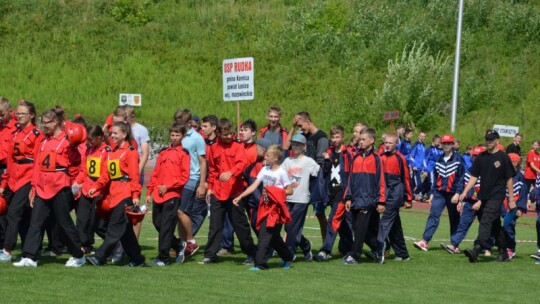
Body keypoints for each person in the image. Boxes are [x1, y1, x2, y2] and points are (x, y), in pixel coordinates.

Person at [13, 109, 85, 267]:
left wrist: (75, 183)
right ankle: (30, 256)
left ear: (55, 122)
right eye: (42, 123)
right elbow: (37, 166)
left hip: (60, 187)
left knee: (64, 222)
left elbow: (77, 164)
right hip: (42, 187)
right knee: (36, 222)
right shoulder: (44, 141)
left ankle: (78, 255)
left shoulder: (67, 141)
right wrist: (33, 188)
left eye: (46, 123)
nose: (43, 126)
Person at [86, 121, 145, 267]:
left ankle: (100, 257)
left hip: (125, 194)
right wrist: (97, 186)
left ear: (124, 134)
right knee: (125, 232)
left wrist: (136, 195)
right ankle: (137, 259)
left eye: (115, 133)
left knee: (114, 227)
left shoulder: (130, 152)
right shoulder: (112, 152)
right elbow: (106, 174)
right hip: (114, 193)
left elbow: (134, 175)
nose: (112, 135)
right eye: (112, 133)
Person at [199, 118, 256, 264]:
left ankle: (251, 253)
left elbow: (241, 163)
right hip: (217, 191)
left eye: (230, 134)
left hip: (234, 192)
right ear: (218, 133)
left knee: (240, 225)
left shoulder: (238, 147)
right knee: (215, 225)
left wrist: (231, 172)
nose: (228, 137)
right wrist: (210, 188)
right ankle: (210, 254)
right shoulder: (213, 148)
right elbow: (212, 170)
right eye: (225, 135)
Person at [233, 145, 295, 270]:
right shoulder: (264, 169)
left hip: (275, 210)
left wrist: (274, 191)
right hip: (264, 207)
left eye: (267, 155)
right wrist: (240, 196)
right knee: (275, 238)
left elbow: (289, 190)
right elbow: (254, 186)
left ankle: (260, 264)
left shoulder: (281, 172)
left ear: (276, 157)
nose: (264, 157)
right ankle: (288, 257)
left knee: (264, 235)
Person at [459, 130, 516, 263]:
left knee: (486, 220)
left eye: (491, 139)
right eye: (487, 139)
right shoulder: (481, 157)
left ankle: (477, 248)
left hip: (497, 196)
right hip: (484, 196)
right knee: (495, 225)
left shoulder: (503, 157)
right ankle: (503, 252)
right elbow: (474, 176)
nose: (488, 142)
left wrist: (511, 199)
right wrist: (465, 191)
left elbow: (509, 179)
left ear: (497, 141)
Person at [0, 101, 40, 262]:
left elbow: (37, 161)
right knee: (22, 216)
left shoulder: (36, 134)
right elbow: (10, 161)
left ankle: (7, 249)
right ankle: (27, 248)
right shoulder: (15, 134)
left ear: (31, 115)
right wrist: (4, 183)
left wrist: (35, 185)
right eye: (18, 113)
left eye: (23, 113)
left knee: (14, 213)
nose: (20, 116)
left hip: (27, 176)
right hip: (14, 177)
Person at [146, 123, 190, 266]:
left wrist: (169, 186)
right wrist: (149, 191)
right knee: (157, 223)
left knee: (166, 226)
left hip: (172, 195)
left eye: (178, 135)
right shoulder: (164, 152)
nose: (174, 137)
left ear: (183, 136)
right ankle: (179, 245)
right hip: (158, 195)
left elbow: (184, 177)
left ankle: (163, 258)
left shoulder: (184, 153)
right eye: (172, 135)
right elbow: (156, 173)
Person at [414, 134, 464, 251]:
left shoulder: (458, 159)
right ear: (441, 145)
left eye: (448, 143)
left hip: (453, 193)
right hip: (439, 193)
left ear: (452, 145)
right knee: (433, 215)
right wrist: (432, 192)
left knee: (454, 218)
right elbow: (435, 178)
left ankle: (454, 245)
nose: (446, 145)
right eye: (444, 143)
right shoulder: (439, 159)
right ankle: (425, 241)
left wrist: (458, 193)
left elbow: (462, 178)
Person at [343, 127, 385, 265]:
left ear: (371, 140)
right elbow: (351, 179)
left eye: (363, 139)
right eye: (359, 139)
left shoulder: (376, 158)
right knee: (357, 228)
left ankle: (354, 255)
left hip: (368, 200)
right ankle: (378, 247)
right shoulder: (356, 157)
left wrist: (381, 201)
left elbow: (381, 181)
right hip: (355, 199)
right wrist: (348, 197)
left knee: (360, 229)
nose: (360, 142)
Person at [288, 112, 329, 243]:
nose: (300, 129)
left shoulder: (321, 137)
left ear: (308, 121)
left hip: (316, 183)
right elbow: (285, 146)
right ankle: (290, 243)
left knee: (320, 214)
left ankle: (325, 245)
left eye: (301, 125)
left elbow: (320, 163)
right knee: (296, 215)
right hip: (302, 182)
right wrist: (293, 127)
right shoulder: (302, 136)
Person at [172, 109, 207, 261]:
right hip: (179, 178)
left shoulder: (197, 138)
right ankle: (183, 245)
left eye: (181, 123)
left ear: (189, 122)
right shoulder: (178, 136)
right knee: (178, 213)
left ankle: (191, 241)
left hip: (191, 178)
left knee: (180, 211)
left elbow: (202, 162)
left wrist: (201, 184)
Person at [315, 125, 353, 261]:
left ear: (343, 137)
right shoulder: (329, 153)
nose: (335, 139)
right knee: (341, 224)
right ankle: (350, 247)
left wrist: (348, 194)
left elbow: (350, 175)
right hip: (331, 192)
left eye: (337, 137)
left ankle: (326, 250)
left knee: (333, 220)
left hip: (342, 193)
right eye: (333, 137)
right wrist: (326, 161)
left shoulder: (347, 154)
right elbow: (325, 173)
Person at [281, 134, 320, 261]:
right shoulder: (287, 161)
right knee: (288, 227)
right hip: (287, 198)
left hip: (301, 199)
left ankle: (288, 253)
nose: (295, 146)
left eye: (298, 144)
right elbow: (280, 175)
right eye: (293, 144)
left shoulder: (309, 162)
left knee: (292, 226)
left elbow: (318, 174)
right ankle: (306, 245)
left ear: (304, 147)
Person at [440, 146, 485, 255]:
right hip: (469, 202)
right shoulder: (469, 171)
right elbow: (463, 186)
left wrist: (480, 201)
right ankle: (453, 245)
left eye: (478, 156)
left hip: (484, 203)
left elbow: (489, 190)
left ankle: (489, 247)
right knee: (463, 225)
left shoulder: (488, 172)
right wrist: (461, 201)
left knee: (487, 226)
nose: (475, 158)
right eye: (473, 155)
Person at [72, 125, 109, 254]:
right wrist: (77, 182)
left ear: (100, 138)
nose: (89, 142)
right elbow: (84, 170)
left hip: (99, 189)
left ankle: (115, 244)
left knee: (97, 222)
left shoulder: (107, 151)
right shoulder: (89, 151)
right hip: (87, 188)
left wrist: (98, 188)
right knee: (82, 219)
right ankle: (84, 245)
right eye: (88, 139)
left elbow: (106, 174)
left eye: (91, 139)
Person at [377, 132, 413, 263]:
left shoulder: (400, 158)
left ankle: (379, 248)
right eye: (386, 142)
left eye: (390, 143)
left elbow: (406, 179)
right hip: (385, 191)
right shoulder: (381, 157)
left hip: (395, 192)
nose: (387, 145)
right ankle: (403, 254)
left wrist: (408, 198)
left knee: (385, 221)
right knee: (394, 226)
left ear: (396, 144)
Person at [501, 153, 527, 259]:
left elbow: (523, 194)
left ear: (515, 163)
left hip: (514, 207)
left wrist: (521, 208)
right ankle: (501, 246)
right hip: (502, 205)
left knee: (508, 225)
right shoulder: (503, 175)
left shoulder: (520, 177)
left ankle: (511, 248)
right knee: (500, 225)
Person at [409, 132, 426, 199]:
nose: (423, 138)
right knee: (418, 183)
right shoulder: (416, 145)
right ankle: (414, 194)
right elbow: (411, 156)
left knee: (416, 182)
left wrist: (425, 167)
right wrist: (414, 165)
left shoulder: (424, 146)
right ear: (419, 136)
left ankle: (413, 194)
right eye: (421, 136)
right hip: (416, 167)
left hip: (421, 167)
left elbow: (424, 157)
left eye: (424, 136)